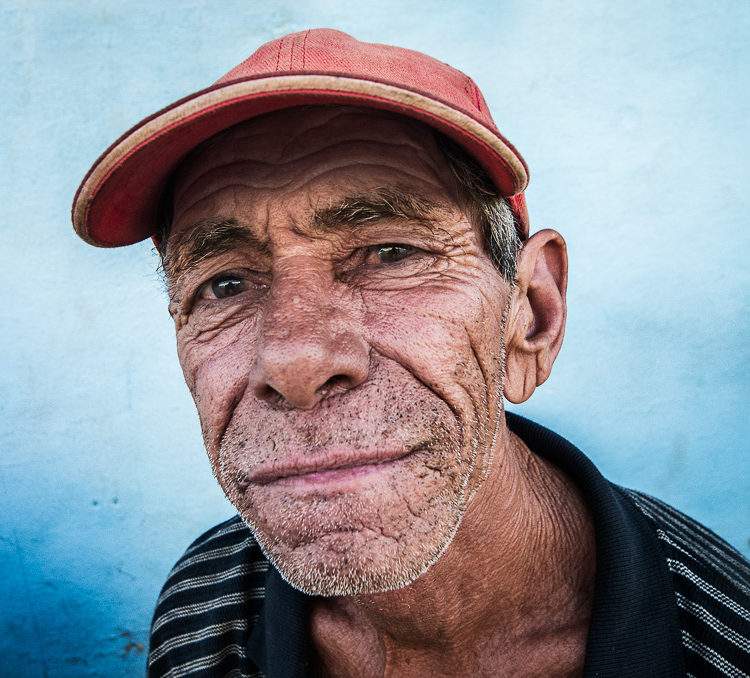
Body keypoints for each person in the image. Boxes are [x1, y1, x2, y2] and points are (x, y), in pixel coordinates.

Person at [72, 29, 749, 678]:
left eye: (392, 253)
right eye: (224, 284)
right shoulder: (208, 601)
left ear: (532, 317)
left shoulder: (725, 641)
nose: (295, 361)